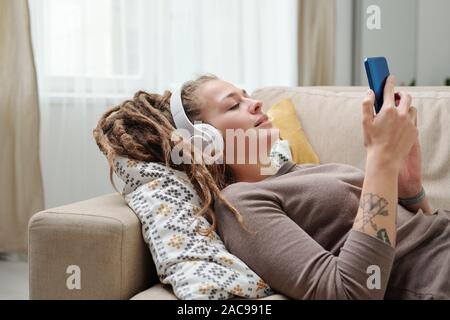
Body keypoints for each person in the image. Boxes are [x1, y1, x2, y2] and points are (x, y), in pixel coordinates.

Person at [93, 74, 450, 299]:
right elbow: (350, 291)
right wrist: (381, 162)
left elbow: (414, 238)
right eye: (234, 104)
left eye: (247, 95)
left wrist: (410, 190)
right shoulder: (242, 204)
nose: (256, 103)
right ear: (204, 141)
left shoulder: (295, 172)